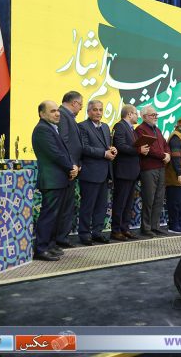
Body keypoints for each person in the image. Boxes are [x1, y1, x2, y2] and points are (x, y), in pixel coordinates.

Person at [31, 101, 79, 261]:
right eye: (52, 111)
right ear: (41, 113)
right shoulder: (42, 129)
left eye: (57, 110)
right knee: (49, 216)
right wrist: (71, 167)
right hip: (52, 180)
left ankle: (50, 245)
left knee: (56, 216)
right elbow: (55, 154)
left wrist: (72, 167)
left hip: (60, 179)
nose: (57, 113)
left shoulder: (52, 128)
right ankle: (41, 249)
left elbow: (62, 152)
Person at [77, 100, 116, 245]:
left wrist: (112, 149)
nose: (98, 112)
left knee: (101, 206)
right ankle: (84, 234)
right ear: (88, 111)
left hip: (104, 173)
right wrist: (104, 153)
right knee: (88, 206)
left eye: (100, 110)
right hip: (90, 173)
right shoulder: (82, 126)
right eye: (95, 110)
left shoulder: (105, 127)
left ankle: (97, 233)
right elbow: (84, 148)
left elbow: (107, 146)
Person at [110, 104, 149, 241]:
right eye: (136, 114)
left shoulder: (131, 129)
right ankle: (116, 230)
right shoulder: (120, 126)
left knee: (128, 204)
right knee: (120, 203)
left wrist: (142, 149)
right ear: (129, 114)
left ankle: (124, 229)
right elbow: (120, 146)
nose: (138, 116)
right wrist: (139, 150)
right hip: (123, 172)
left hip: (132, 172)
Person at [135, 105, 171, 237]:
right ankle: (146, 228)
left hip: (161, 167)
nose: (156, 117)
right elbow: (148, 149)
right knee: (149, 199)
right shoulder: (140, 130)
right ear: (144, 117)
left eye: (156, 115)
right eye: (153, 115)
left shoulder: (157, 129)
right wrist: (163, 155)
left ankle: (155, 226)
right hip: (149, 168)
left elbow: (165, 145)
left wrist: (168, 154)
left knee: (159, 199)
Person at [56, 90, 83, 248]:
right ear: (74, 103)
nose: (81, 108)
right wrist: (72, 165)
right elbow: (64, 142)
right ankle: (60, 239)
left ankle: (62, 238)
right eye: (80, 105)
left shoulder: (69, 117)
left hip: (72, 168)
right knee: (63, 208)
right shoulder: (62, 115)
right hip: (66, 170)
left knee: (67, 207)